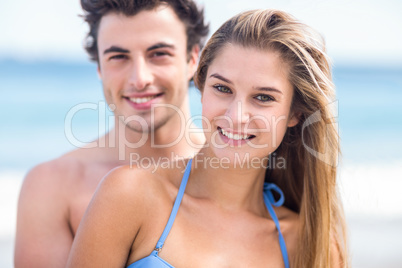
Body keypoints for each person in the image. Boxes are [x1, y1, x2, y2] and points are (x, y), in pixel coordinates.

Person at [66, 8, 349, 268]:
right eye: (222, 89)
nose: (236, 115)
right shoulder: (130, 195)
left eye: (263, 97)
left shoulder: (310, 244)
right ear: (201, 89)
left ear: (294, 113)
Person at [14, 0, 209, 267]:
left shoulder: (240, 172)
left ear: (192, 58)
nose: (140, 78)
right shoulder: (53, 186)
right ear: (99, 68)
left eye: (159, 53)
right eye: (118, 57)